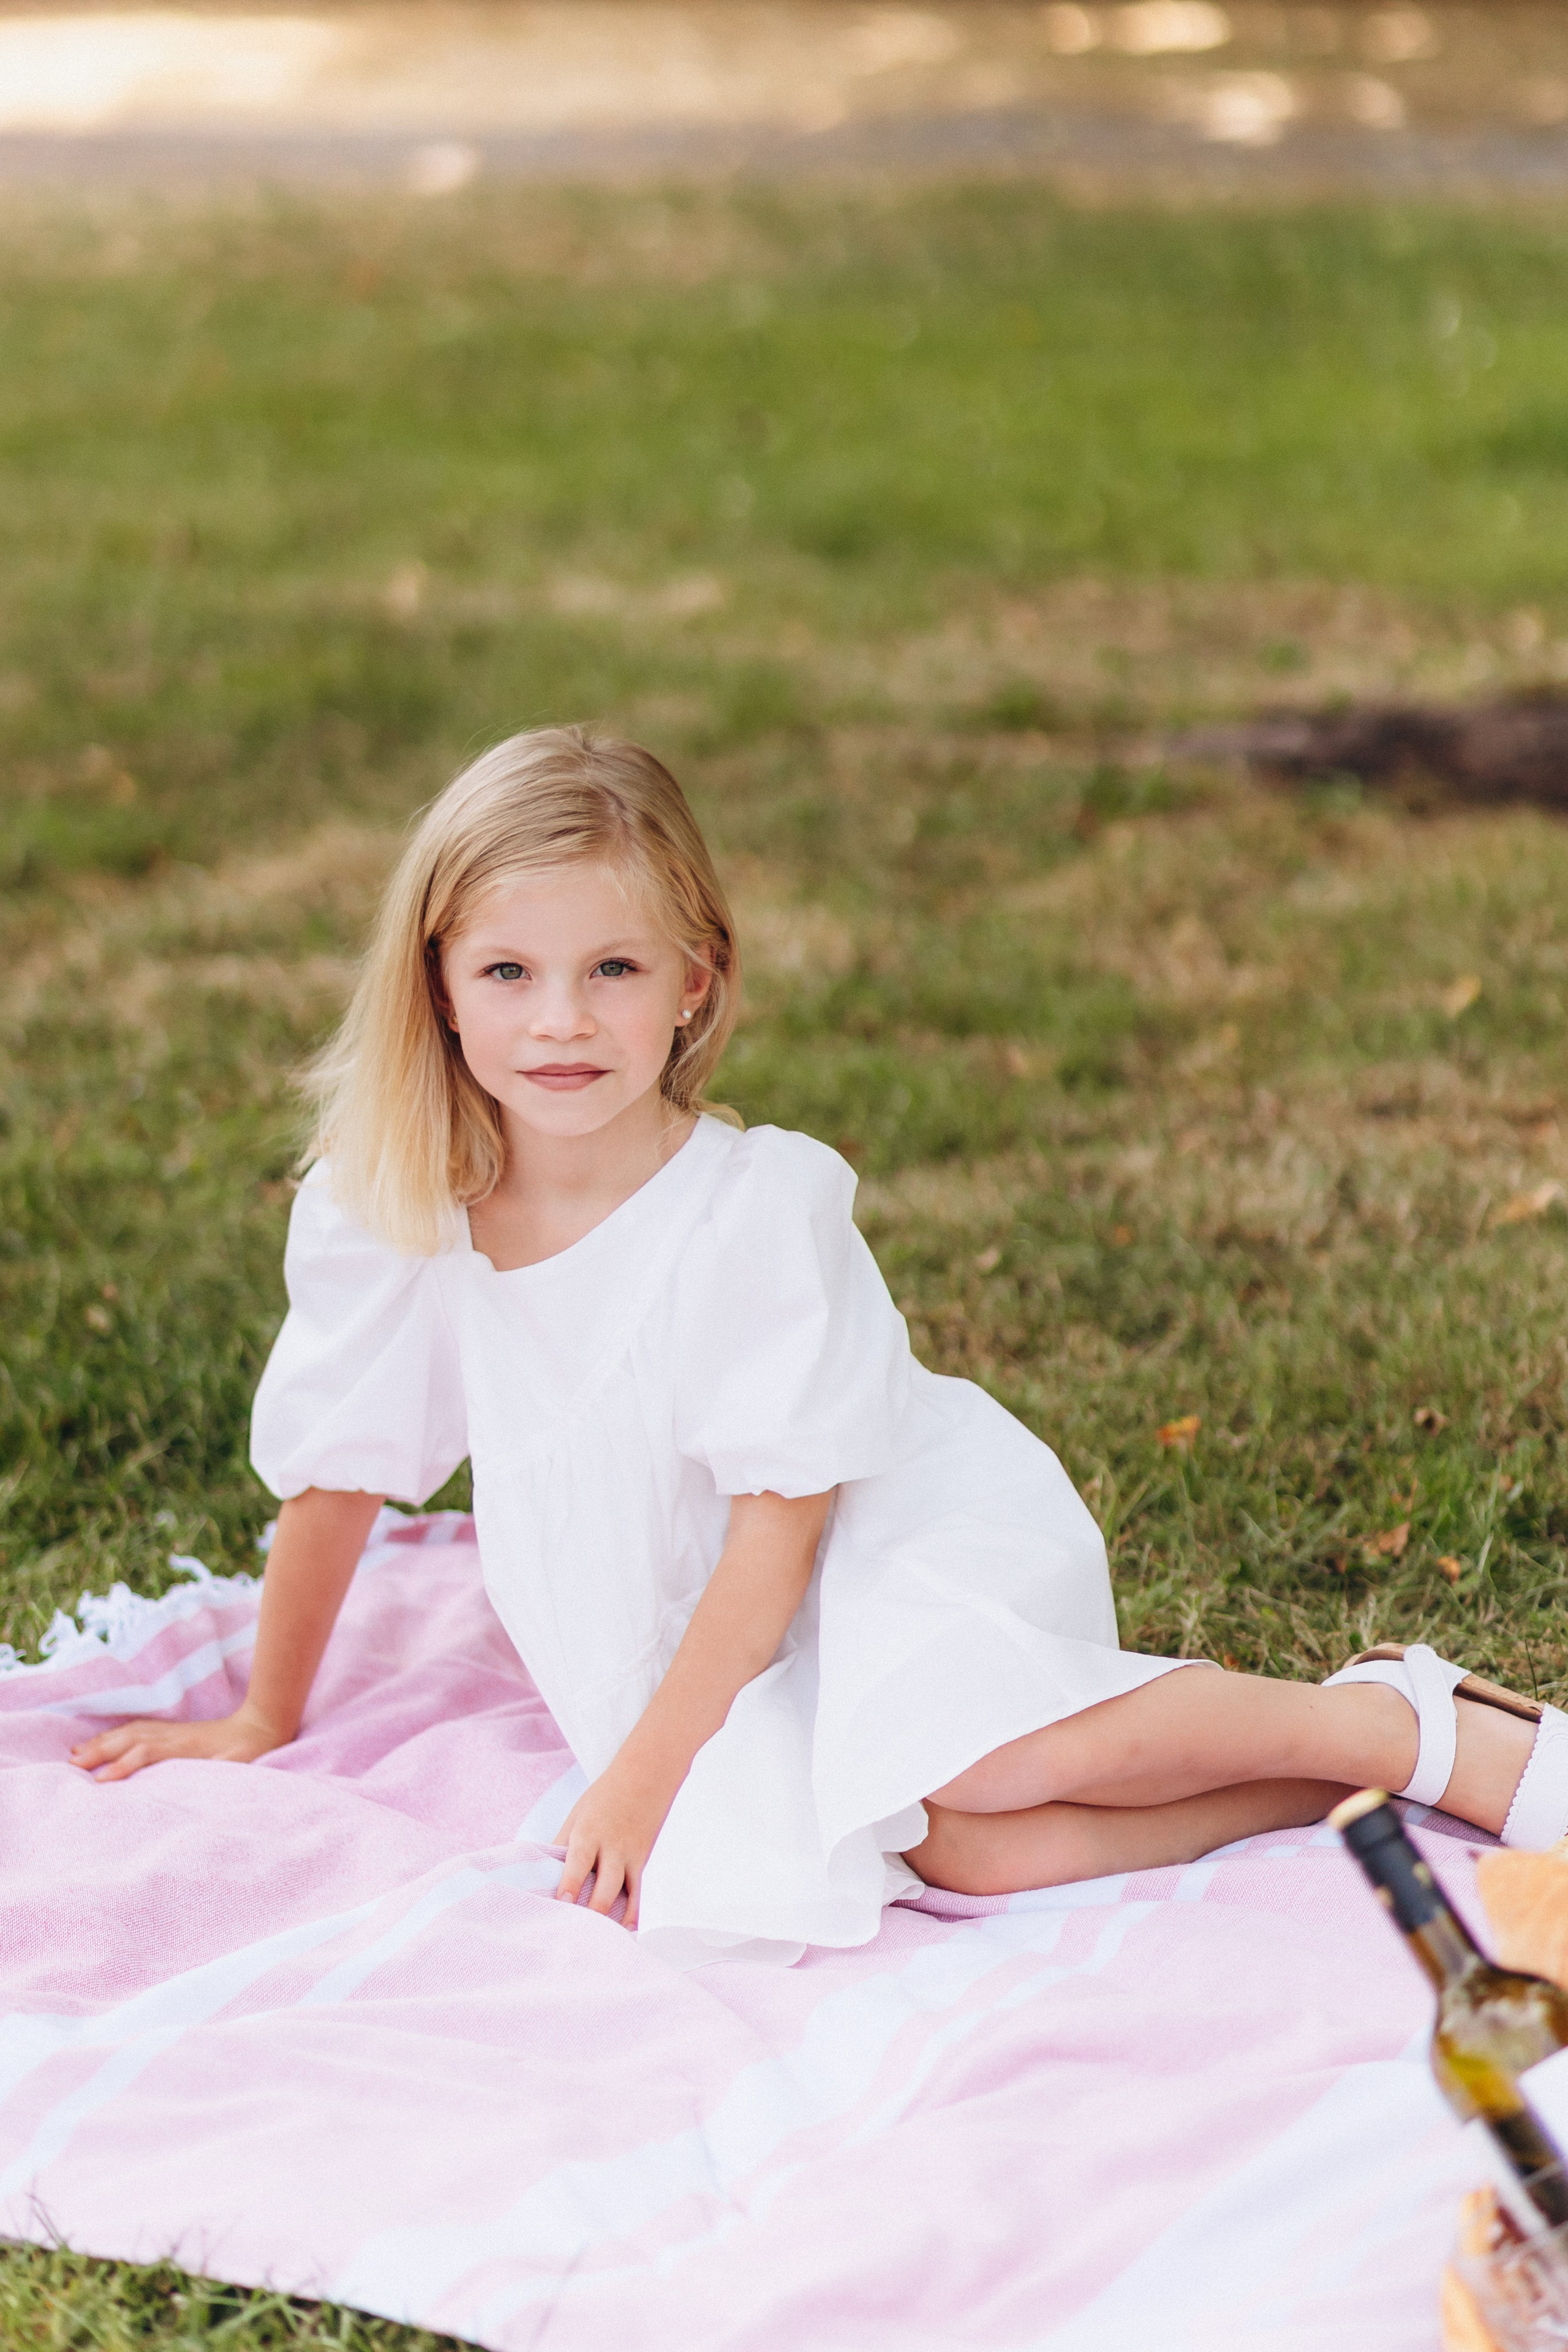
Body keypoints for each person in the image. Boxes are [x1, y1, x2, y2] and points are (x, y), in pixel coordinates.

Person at [69, 728, 1568, 1968]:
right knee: (973, 1854)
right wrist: (266, 1711)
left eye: (614, 971)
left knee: (973, 1763)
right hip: (674, 1626)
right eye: (508, 974)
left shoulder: (747, 1210)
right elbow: (341, 1464)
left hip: (875, 1534)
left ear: (693, 986)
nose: (561, 1022)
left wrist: (645, 1773)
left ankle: (1409, 1725)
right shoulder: (402, 1204)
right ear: (441, 992)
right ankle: (1322, 1787)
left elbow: (781, 1532)